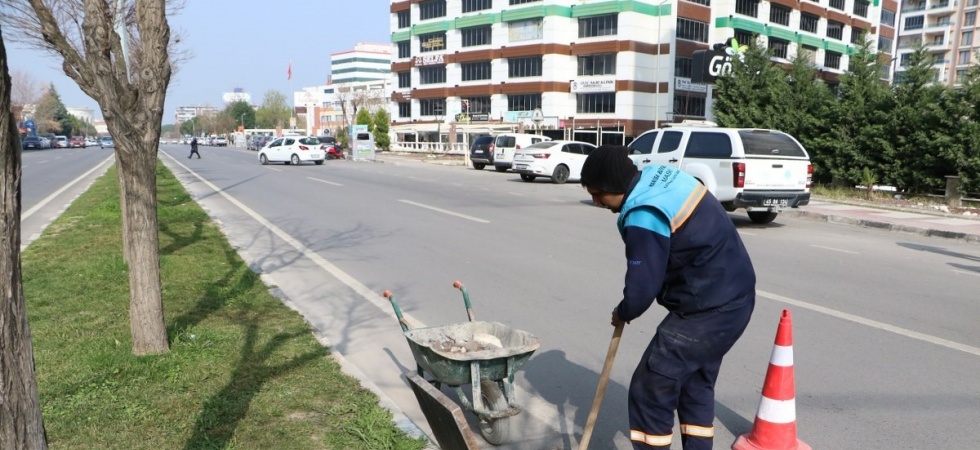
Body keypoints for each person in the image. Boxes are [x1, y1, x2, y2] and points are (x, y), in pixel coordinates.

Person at [580, 145, 756, 450]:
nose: (596, 201)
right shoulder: (660, 177)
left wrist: (624, 311)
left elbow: (642, 286)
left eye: (598, 194)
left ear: (614, 186)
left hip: (706, 311)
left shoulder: (643, 212)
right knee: (694, 384)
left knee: (651, 388)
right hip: (735, 298)